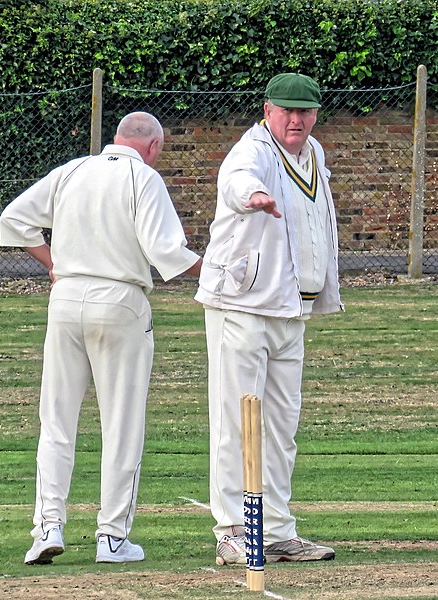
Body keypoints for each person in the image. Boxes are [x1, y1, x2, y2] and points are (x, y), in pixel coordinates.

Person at [0, 111, 202, 565]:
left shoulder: (72, 171)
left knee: (56, 420)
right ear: (152, 148)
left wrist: (52, 263)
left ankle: (47, 527)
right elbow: (166, 250)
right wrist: (218, 271)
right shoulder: (144, 180)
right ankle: (111, 537)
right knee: (122, 423)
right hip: (121, 300)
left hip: (66, 300)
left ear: (116, 138)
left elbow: (14, 218)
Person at [195, 73, 343, 565]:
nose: (296, 120)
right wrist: (252, 196)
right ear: (268, 109)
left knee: (281, 426)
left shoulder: (315, 154)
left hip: (292, 308)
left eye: (305, 112)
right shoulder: (252, 149)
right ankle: (234, 531)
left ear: (316, 113)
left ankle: (276, 530)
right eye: (287, 111)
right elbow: (236, 179)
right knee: (238, 420)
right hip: (241, 307)